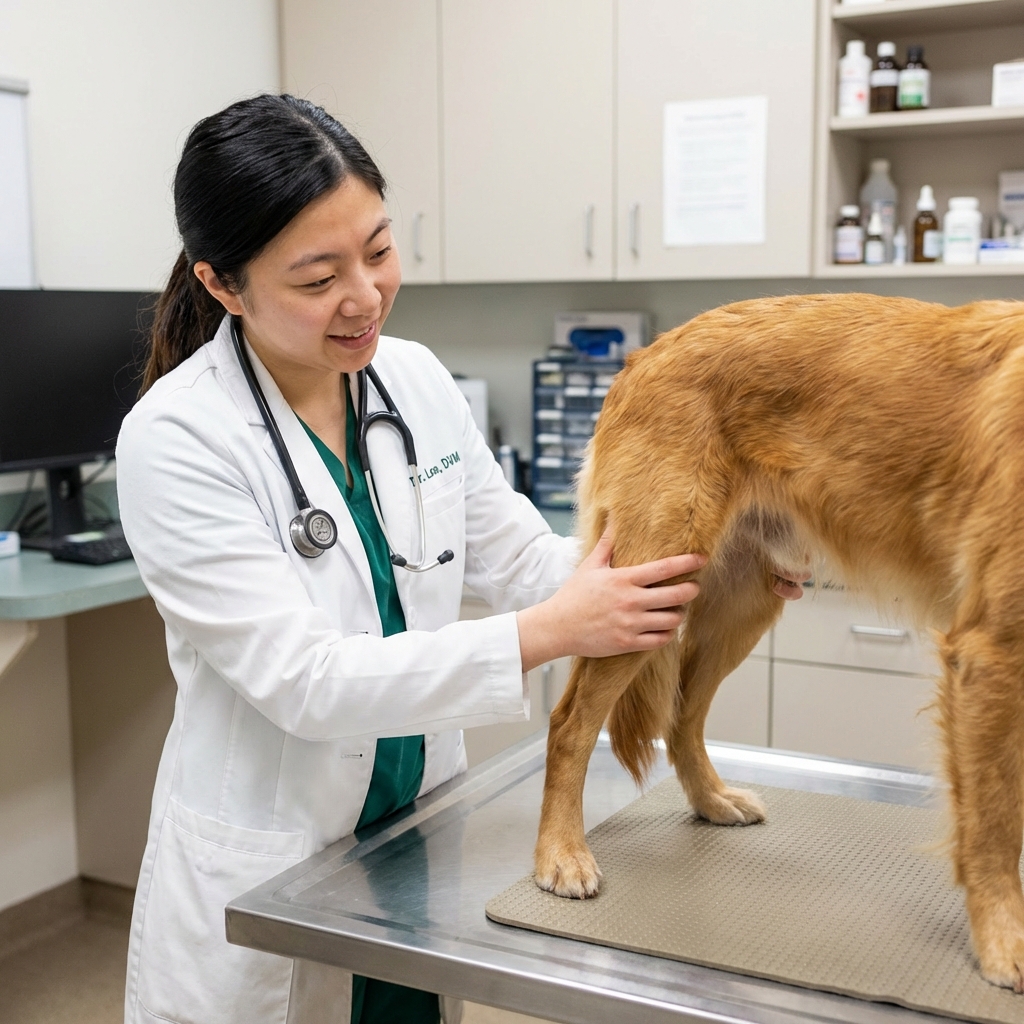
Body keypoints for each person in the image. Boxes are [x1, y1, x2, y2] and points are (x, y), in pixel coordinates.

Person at [117, 94, 802, 1024]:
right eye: (317, 279)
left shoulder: (415, 381)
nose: (364, 296)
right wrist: (546, 633)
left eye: (379, 250)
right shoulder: (176, 438)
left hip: (410, 846)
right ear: (224, 284)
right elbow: (303, 682)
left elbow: (518, 553)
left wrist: (708, 569)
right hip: (270, 870)